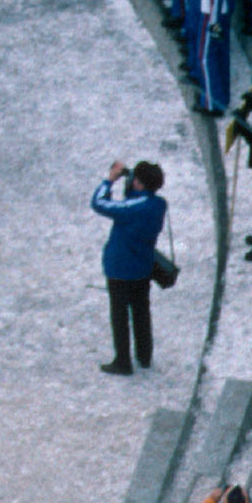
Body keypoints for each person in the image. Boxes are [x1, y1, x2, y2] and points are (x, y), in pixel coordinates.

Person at [92, 159, 166, 372]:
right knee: (142, 311)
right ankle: (144, 355)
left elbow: (99, 203)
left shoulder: (132, 208)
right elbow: (135, 202)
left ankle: (122, 361)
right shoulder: (159, 204)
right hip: (143, 267)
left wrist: (110, 180)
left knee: (119, 315)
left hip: (120, 268)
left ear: (140, 184)